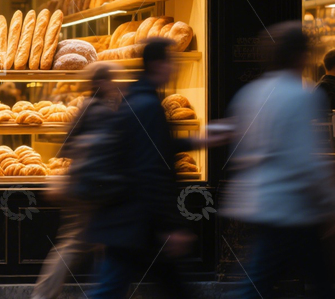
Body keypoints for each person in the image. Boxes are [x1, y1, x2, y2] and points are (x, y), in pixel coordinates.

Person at [84, 38, 220, 299]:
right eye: (171, 61)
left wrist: (197, 141)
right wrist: (171, 224)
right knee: (113, 290)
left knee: (124, 288)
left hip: (128, 219)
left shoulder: (136, 99)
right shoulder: (147, 104)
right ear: (158, 64)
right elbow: (151, 168)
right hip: (135, 221)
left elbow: (154, 148)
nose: (175, 67)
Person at [222, 22, 335, 298]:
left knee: (276, 278)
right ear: (301, 56)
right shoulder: (301, 96)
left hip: (258, 202)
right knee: (262, 282)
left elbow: (239, 151)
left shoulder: (250, 93)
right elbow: (305, 160)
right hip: (291, 206)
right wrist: (328, 203)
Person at [32, 63, 119, 299]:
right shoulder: (102, 112)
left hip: (79, 185)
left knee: (81, 243)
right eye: (111, 80)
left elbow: (67, 145)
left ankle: (105, 291)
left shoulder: (85, 106)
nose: (114, 85)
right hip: (92, 190)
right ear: (101, 83)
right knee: (77, 244)